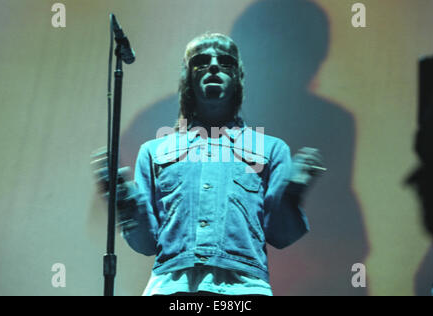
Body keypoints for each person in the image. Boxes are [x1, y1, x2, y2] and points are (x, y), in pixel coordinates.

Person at [92, 33, 325, 296]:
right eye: (201, 61)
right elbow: (146, 243)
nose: (213, 66)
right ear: (187, 78)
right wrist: (124, 202)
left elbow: (282, 235)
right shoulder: (154, 151)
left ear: (239, 77)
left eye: (225, 62)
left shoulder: (270, 149)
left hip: (244, 290)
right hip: (171, 288)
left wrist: (294, 192)